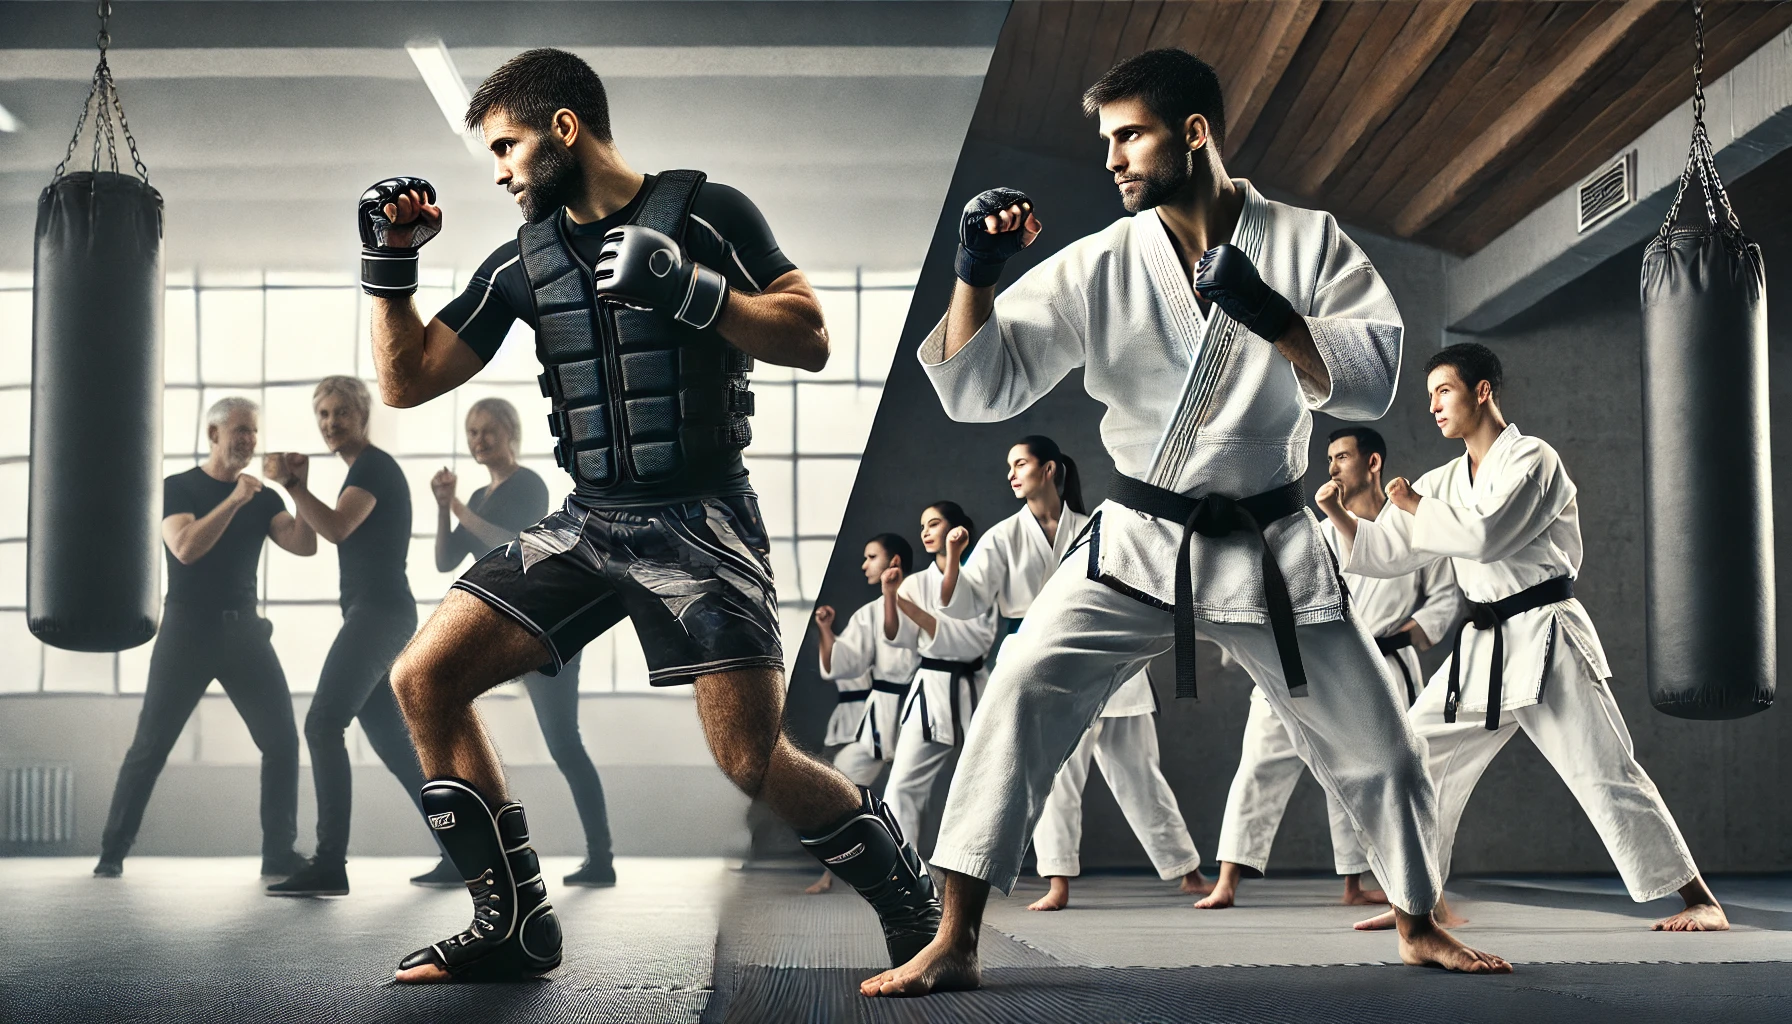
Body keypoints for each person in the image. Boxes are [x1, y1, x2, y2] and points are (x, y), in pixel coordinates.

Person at [863, 49, 1509, 998]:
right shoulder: (1102, 264)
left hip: (1273, 548)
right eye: (1107, 139)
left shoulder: (1308, 241)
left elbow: (1369, 378)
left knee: (1381, 744)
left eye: (1131, 135)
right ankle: (955, 936)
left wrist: (1276, 318)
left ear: (1194, 132)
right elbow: (978, 388)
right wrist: (976, 276)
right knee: (1020, 693)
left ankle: (1416, 922)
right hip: (1137, 539)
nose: (1113, 157)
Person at [361, 48, 939, 981]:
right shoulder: (524, 259)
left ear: (563, 129)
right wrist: (388, 269)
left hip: (701, 521)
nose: (501, 173)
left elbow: (811, 338)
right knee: (423, 679)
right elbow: (406, 379)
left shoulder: (708, 212)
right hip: (589, 524)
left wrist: (692, 291)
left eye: (507, 148)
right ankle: (512, 925)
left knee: (751, 760)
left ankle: (911, 898)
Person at [1327, 343, 1728, 935]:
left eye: (1443, 391)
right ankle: (1419, 900)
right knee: (1417, 756)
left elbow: (1488, 537)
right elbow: (1388, 552)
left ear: (1481, 391)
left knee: (1604, 771)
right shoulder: (1443, 478)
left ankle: (1700, 898)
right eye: (1429, 395)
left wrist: (1411, 503)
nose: (1433, 405)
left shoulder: (1534, 460)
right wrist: (1340, 516)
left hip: (1547, 637)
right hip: (1484, 646)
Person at [938, 436, 1209, 912]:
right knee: (1055, 777)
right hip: (1044, 661)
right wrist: (954, 559)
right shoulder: (1004, 537)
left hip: (1109, 654)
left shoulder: (1096, 526)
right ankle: (1058, 879)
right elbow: (967, 601)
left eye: (1019, 463)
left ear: (1049, 469)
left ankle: (1187, 869)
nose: (1011, 474)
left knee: (1140, 773)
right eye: (1009, 466)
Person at [1198, 426, 1459, 910]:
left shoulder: (1411, 529)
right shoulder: (1314, 533)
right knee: (1258, 764)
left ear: (1373, 463)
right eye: (1329, 458)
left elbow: (1443, 599)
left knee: (1365, 770)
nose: (1333, 467)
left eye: (1342, 457)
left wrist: (1404, 634)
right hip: (1301, 659)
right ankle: (1228, 878)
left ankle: (1356, 882)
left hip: (1379, 661)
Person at [94, 397, 313, 880]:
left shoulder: (264, 497)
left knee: (281, 742)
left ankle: (278, 853)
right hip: (187, 631)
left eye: (254, 432)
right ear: (213, 435)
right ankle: (112, 851)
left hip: (244, 634)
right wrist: (235, 499)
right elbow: (186, 548)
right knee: (150, 745)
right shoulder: (178, 488)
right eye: (239, 430)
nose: (249, 440)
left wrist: (297, 489)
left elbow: (304, 544)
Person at [412, 397, 616, 889]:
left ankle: (601, 857)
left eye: (487, 432)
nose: (479, 441)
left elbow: (513, 541)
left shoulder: (529, 483)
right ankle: (464, 855)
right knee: (443, 706)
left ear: (510, 433)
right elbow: (445, 559)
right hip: (501, 626)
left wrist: (458, 505)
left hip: (541, 628)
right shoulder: (478, 496)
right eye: (472, 433)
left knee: (564, 744)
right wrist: (446, 509)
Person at [264, 376, 428, 897]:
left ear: (362, 414)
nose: (330, 423)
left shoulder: (375, 467)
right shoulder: (354, 472)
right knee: (394, 745)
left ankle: (330, 863)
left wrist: (291, 487)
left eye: (340, 413)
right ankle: (461, 850)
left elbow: (336, 528)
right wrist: (300, 487)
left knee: (322, 723)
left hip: (381, 614)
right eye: (323, 416)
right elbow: (310, 541)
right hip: (374, 614)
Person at [805, 532, 923, 894]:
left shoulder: (926, 598)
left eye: (871, 557)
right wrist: (826, 630)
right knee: (839, 784)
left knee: (907, 794)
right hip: (882, 710)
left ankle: (910, 875)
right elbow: (843, 663)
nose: (864, 565)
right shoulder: (868, 614)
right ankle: (837, 872)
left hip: (922, 705)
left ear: (895, 563)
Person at [882, 502, 999, 855]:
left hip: (974, 686)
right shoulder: (915, 583)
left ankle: (975, 866)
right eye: (922, 527)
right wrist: (891, 597)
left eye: (934, 524)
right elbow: (898, 638)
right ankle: (903, 866)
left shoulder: (980, 580)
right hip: (930, 689)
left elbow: (978, 641)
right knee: (902, 783)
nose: (926, 532)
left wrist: (913, 611)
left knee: (985, 782)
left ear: (955, 530)